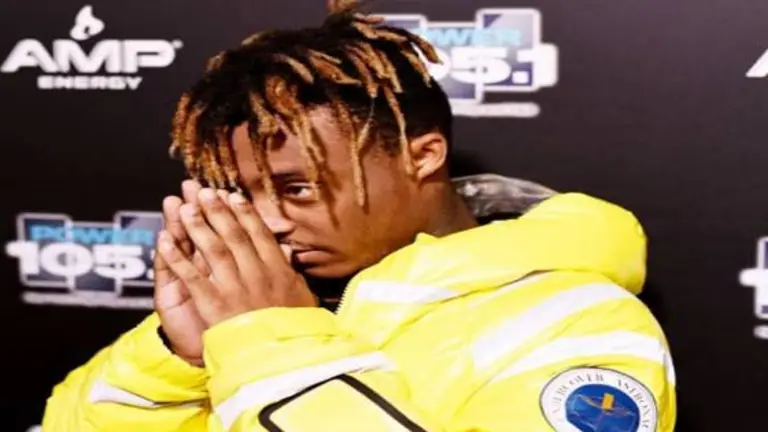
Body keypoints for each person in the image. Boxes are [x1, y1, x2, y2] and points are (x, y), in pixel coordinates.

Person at [41, 1, 676, 430]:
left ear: (422, 155)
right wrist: (176, 360)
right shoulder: (259, 306)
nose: (269, 223)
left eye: (296, 188)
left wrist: (273, 345)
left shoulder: (579, 321)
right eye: (247, 195)